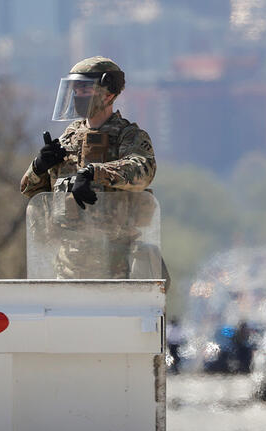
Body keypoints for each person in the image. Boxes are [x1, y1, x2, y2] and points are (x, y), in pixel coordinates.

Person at [20, 56, 164, 281]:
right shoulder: (67, 140)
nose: (78, 96)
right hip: (68, 269)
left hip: (117, 266)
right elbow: (34, 195)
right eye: (75, 91)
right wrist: (39, 167)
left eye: (85, 90)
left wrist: (93, 173)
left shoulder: (129, 137)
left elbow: (142, 169)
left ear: (109, 94)